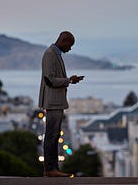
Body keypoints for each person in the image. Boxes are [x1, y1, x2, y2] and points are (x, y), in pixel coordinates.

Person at [38, 31, 83, 177]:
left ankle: (53, 169)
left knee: (55, 135)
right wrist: (69, 80)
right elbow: (49, 80)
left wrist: (69, 80)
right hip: (53, 102)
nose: (70, 49)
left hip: (56, 102)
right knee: (51, 135)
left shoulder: (55, 54)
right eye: (69, 45)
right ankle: (50, 169)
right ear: (63, 41)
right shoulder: (50, 54)